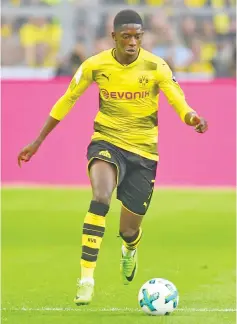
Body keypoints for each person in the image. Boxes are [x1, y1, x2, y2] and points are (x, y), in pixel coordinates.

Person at [17, 10, 208, 306]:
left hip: (144, 153)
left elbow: (177, 99)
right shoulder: (95, 65)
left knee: (128, 230)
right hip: (106, 142)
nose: (132, 42)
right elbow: (67, 99)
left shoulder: (156, 66)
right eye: (126, 36)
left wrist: (192, 117)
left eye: (137, 37)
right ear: (114, 37)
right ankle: (86, 279)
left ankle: (129, 249)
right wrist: (38, 140)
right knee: (101, 197)